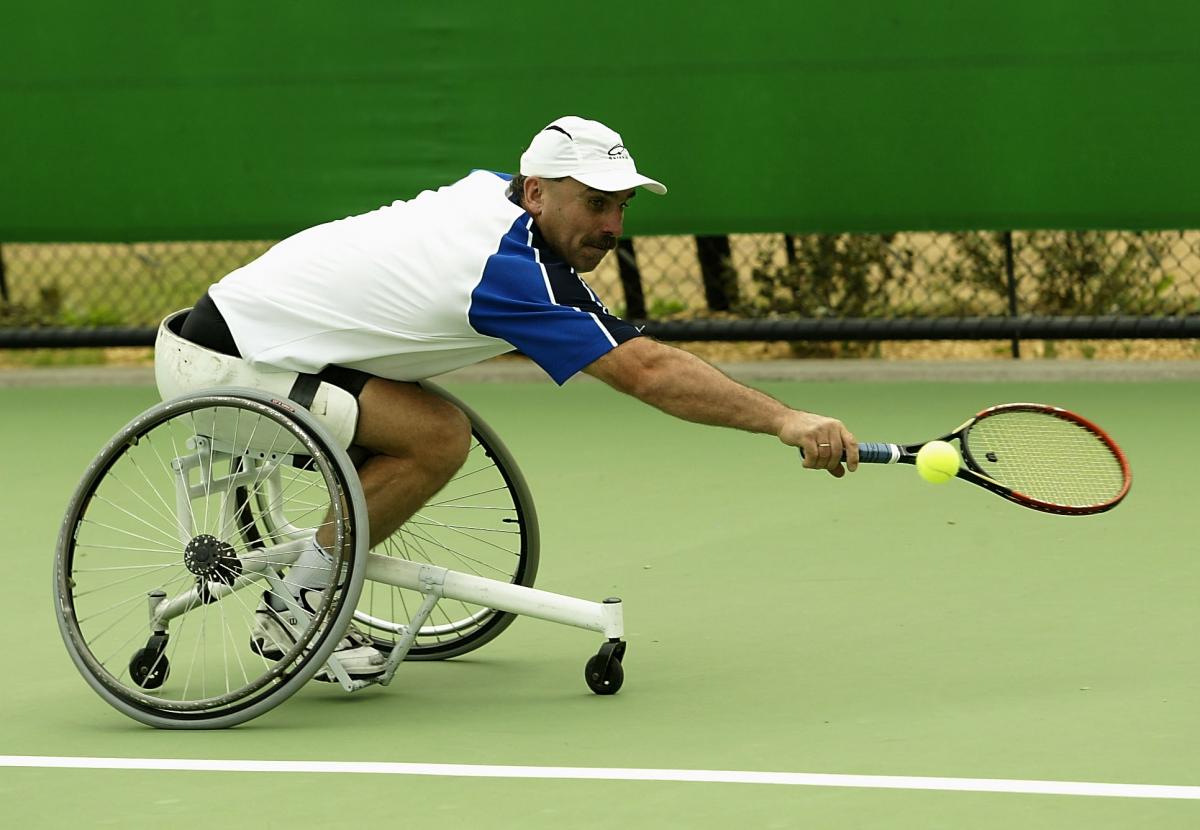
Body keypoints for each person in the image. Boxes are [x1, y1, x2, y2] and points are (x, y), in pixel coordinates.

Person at [155, 115, 859, 679]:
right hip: (222, 367)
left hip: (256, 337)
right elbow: (647, 372)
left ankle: (325, 555)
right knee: (437, 438)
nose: (613, 226)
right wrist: (785, 419)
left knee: (429, 423)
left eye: (620, 206)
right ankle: (297, 603)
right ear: (537, 193)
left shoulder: (497, 197)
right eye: (595, 203)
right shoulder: (508, 269)